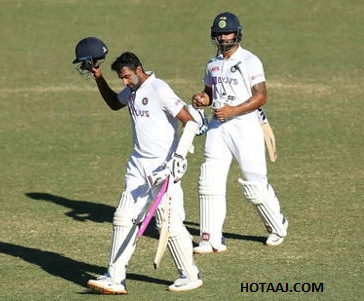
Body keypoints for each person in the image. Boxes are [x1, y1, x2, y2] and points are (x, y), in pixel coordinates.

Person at [73, 40, 205, 294]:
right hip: (138, 164)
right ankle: (114, 277)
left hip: (163, 167)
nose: (125, 82)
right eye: (121, 79)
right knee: (123, 217)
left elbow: (191, 123)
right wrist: (98, 77)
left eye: (127, 77)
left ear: (139, 69)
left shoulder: (159, 89)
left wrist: (178, 159)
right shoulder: (132, 90)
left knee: (168, 223)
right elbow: (114, 103)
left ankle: (190, 275)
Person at [190, 12, 288, 254]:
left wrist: (233, 110)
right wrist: (203, 98)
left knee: (254, 183)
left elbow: (261, 96)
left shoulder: (249, 61)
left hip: (245, 126)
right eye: (219, 33)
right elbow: (210, 93)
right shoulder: (212, 64)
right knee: (209, 180)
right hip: (218, 126)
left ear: (237, 33)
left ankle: (277, 225)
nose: (223, 37)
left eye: (227, 32)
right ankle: (210, 238)